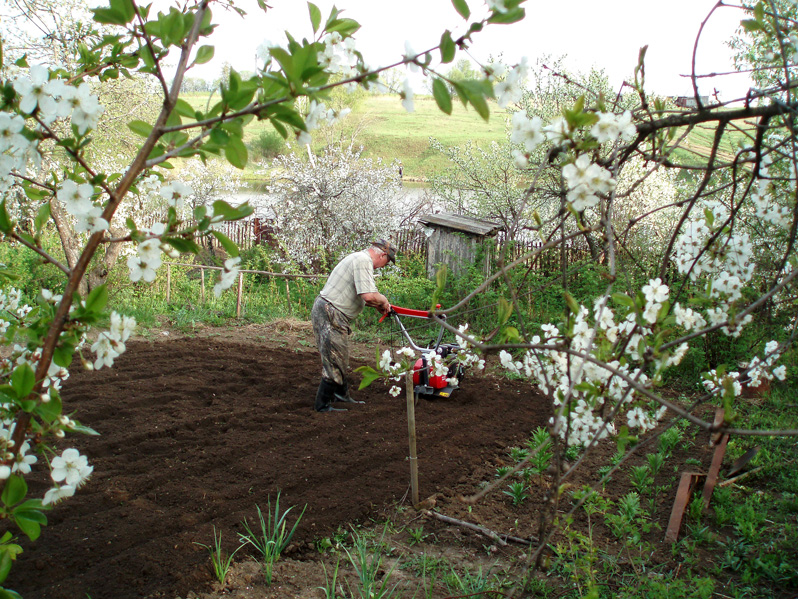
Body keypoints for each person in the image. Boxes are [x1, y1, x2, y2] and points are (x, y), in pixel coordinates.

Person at [311, 239, 396, 412]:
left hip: (332, 312)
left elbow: (364, 295)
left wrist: (380, 306)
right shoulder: (363, 261)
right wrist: (384, 300)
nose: (383, 266)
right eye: (386, 263)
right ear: (383, 255)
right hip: (330, 312)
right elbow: (369, 296)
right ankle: (322, 405)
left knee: (340, 357)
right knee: (334, 359)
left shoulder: (360, 259)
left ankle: (341, 396)